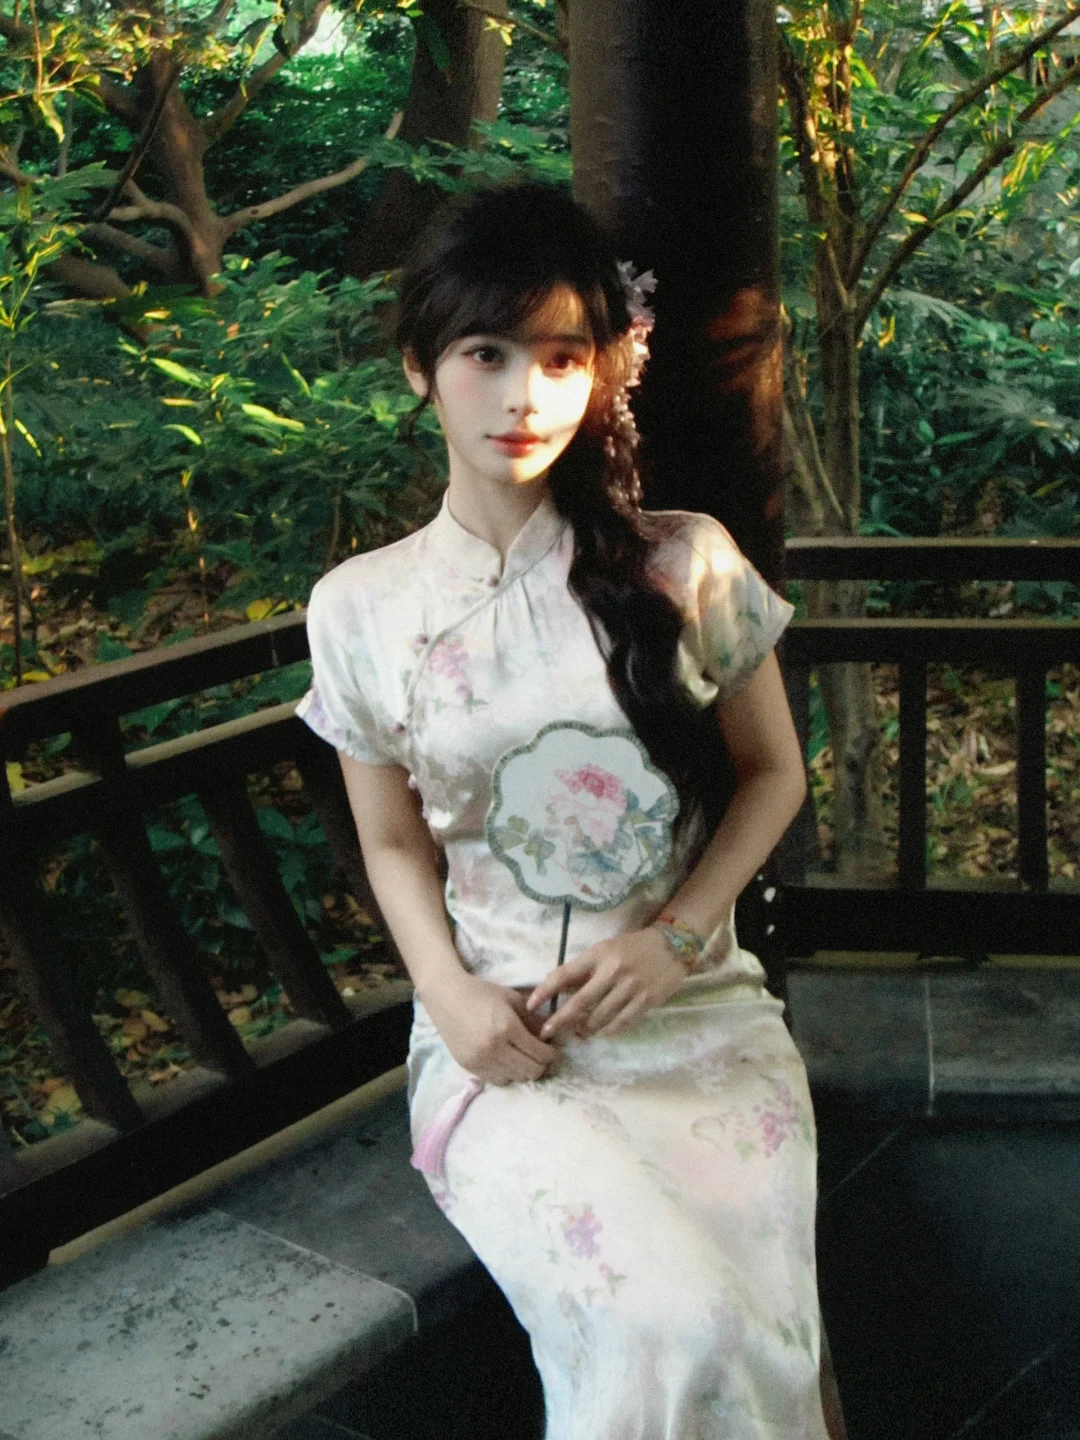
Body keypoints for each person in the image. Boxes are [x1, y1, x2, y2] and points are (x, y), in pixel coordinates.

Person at [297, 182, 829, 1439]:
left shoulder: (683, 562)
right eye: (486, 354)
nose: (524, 395)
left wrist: (676, 941)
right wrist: (449, 997)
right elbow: (391, 839)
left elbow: (775, 774)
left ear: (603, 373)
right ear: (421, 368)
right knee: (674, 1326)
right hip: (513, 1047)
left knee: (755, 1331)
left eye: (560, 358)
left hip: (701, 1020)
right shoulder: (360, 609)